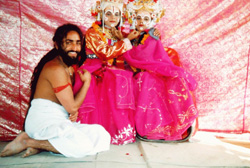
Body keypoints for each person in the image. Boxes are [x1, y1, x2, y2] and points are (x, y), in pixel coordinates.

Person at [0, 23, 110, 158]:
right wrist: (86, 83)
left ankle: (42, 145)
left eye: (77, 43)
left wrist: (71, 111)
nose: (74, 48)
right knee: (83, 146)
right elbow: (73, 107)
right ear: (57, 44)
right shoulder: (55, 68)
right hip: (43, 123)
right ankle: (29, 141)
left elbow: (69, 104)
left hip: (60, 120)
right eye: (69, 43)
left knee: (101, 134)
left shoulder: (68, 65)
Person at [122, 0, 199, 142]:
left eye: (146, 19)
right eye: (138, 18)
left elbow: (152, 55)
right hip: (135, 73)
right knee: (146, 79)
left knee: (164, 79)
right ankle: (149, 126)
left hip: (154, 69)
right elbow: (127, 55)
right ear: (133, 19)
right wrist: (128, 40)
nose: (141, 21)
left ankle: (167, 125)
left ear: (151, 20)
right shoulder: (128, 36)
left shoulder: (152, 36)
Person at [73, 0, 140, 145]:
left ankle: (117, 127)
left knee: (126, 76)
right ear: (101, 15)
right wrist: (126, 40)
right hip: (94, 67)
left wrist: (151, 32)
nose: (113, 17)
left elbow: (134, 45)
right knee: (119, 77)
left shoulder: (117, 33)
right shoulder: (93, 32)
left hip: (110, 68)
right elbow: (105, 53)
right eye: (108, 13)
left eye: (117, 14)